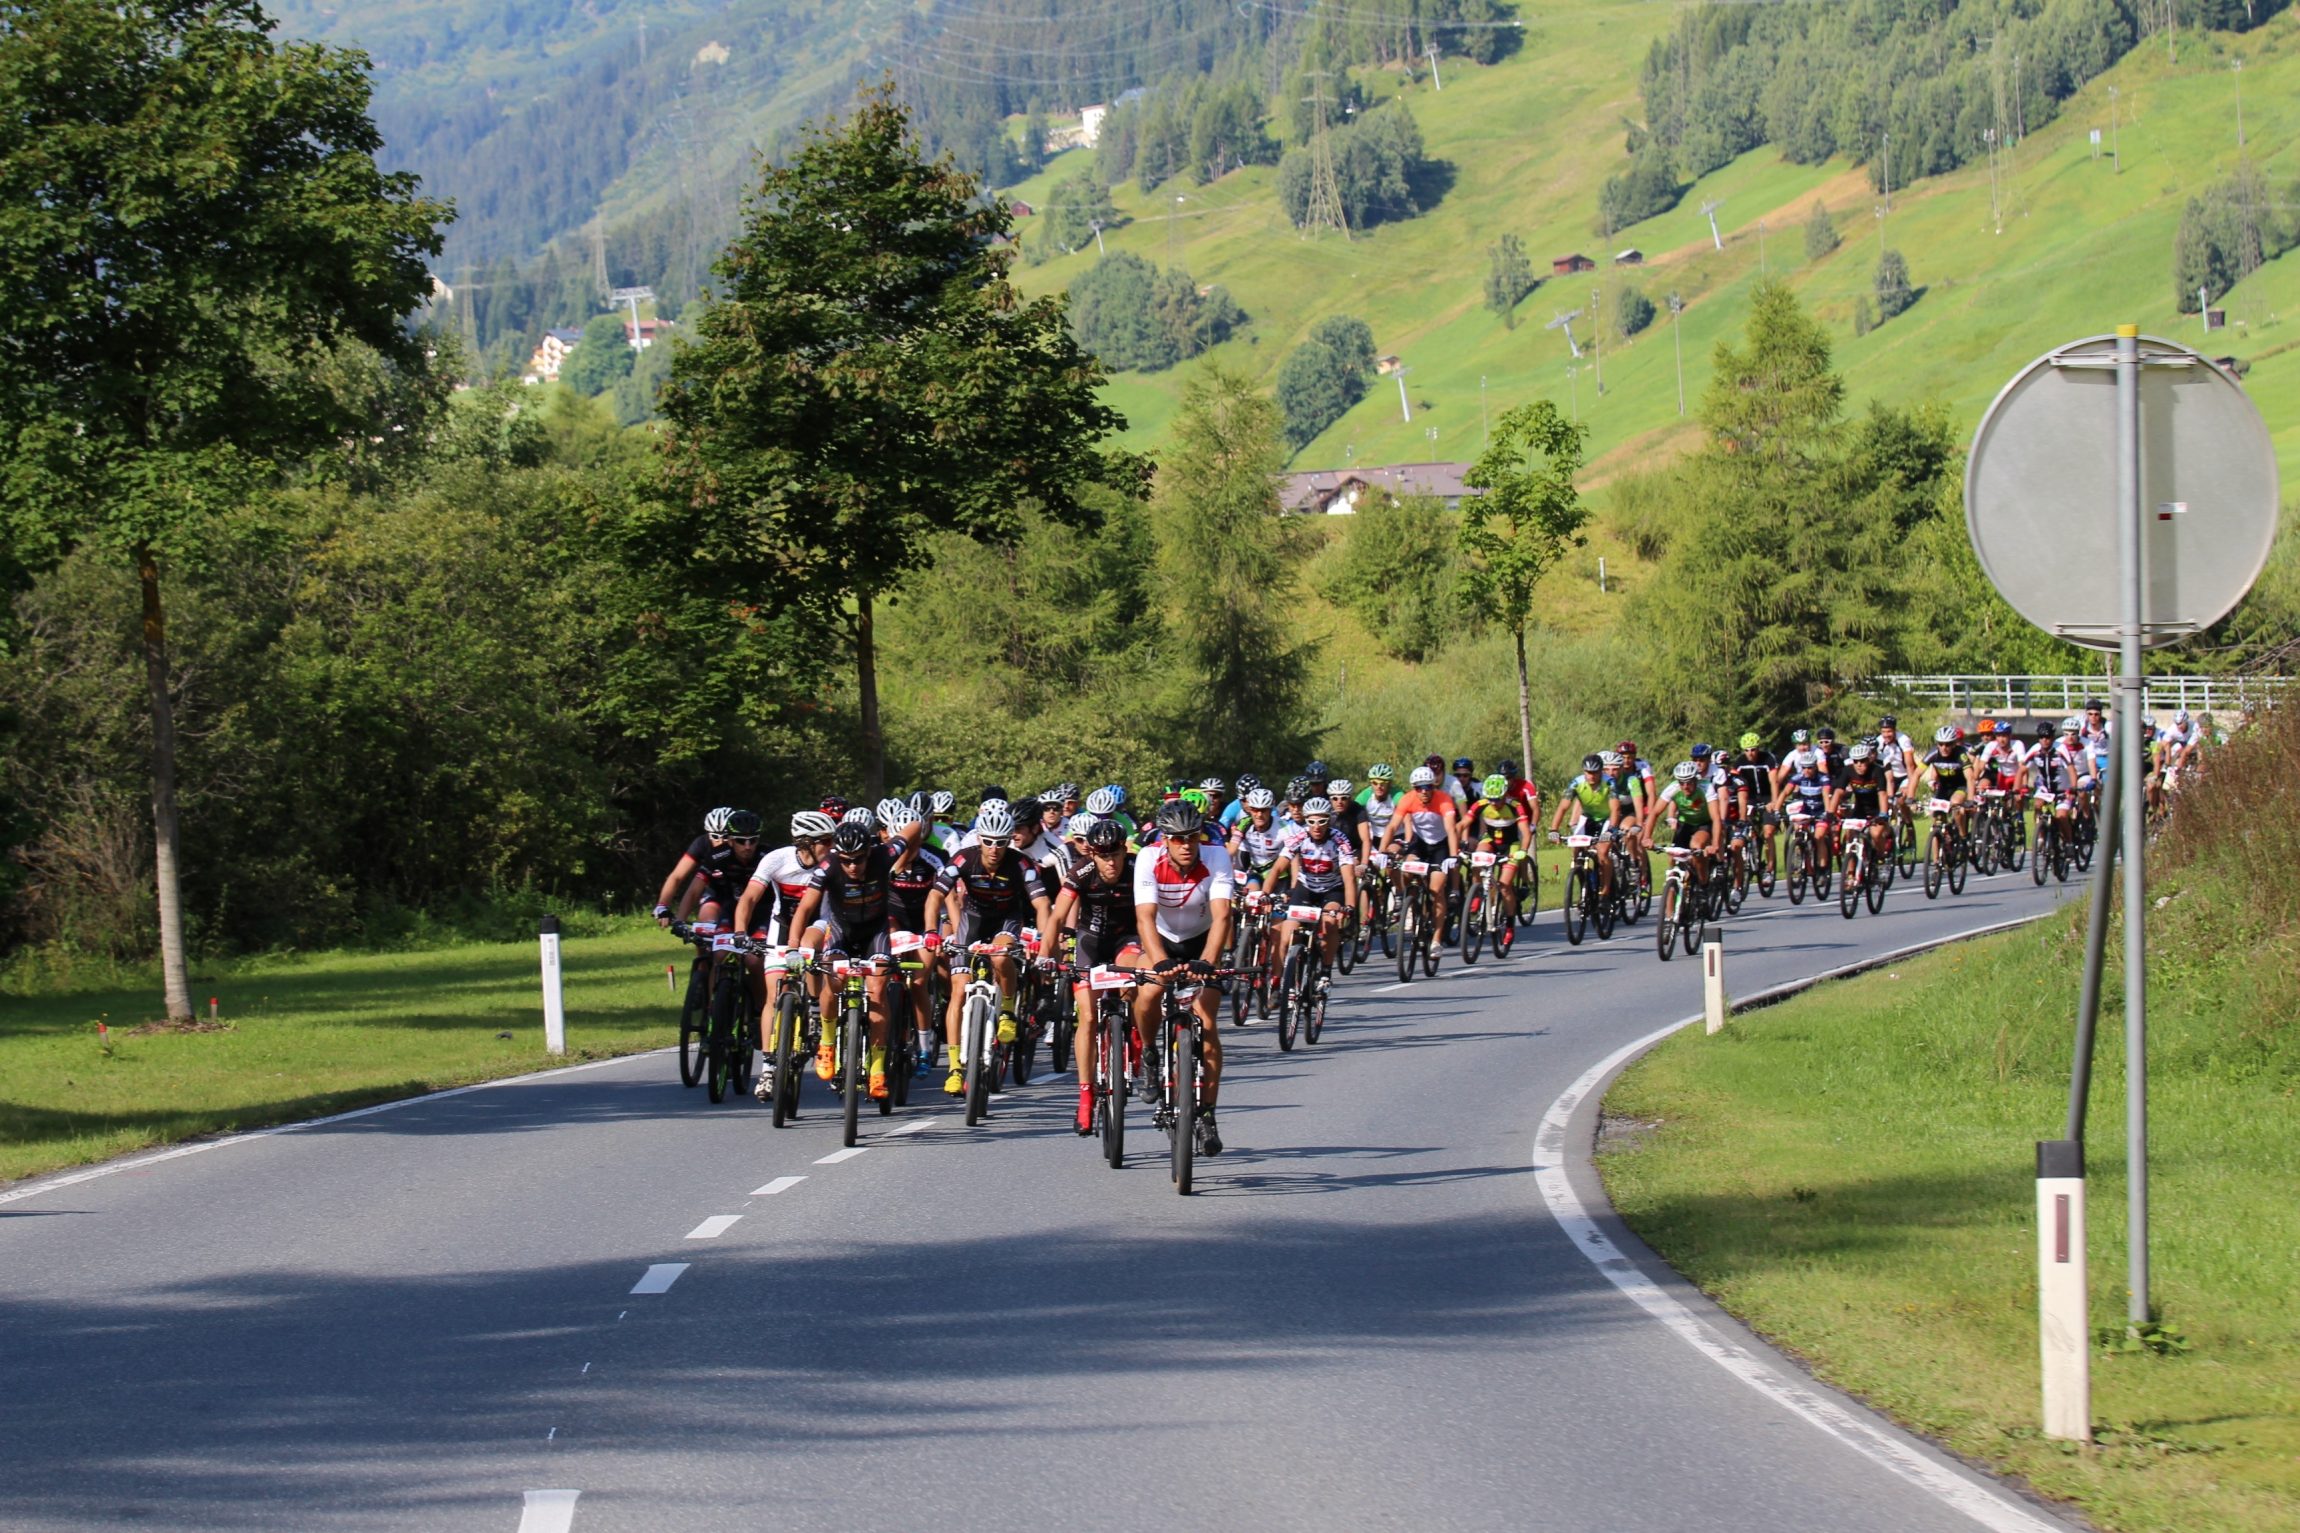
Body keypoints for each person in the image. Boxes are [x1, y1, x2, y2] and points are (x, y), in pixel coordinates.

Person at [924, 800, 1056, 1096]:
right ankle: (955, 1067)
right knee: (958, 991)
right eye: (988, 842)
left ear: (1009, 842)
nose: (994, 848)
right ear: (979, 839)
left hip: (1006, 922)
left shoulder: (1021, 864)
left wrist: (1042, 939)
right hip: (972, 921)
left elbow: (1042, 904)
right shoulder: (963, 859)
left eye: (1001, 842)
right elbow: (935, 896)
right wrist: (932, 932)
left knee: (999, 956)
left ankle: (1007, 1009)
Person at [1132, 799, 1235, 1156]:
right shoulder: (1148, 858)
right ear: (1165, 839)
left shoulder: (1217, 856)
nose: (1186, 845)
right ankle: (1147, 1053)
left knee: (1206, 1024)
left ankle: (1206, 1113)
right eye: (1177, 839)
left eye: (1192, 837)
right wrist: (1159, 962)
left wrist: (1207, 961)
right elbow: (1144, 918)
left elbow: (1222, 916)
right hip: (1162, 942)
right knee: (1147, 993)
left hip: (1204, 944)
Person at [784, 816, 903, 1100]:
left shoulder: (885, 855)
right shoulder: (827, 869)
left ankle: (876, 1070)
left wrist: (918, 827)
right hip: (841, 931)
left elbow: (911, 832)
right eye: (846, 860)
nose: (852, 866)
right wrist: (792, 948)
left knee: (877, 992)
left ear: (869, 853)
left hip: (875, 931)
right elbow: (804, 909)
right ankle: (826, 1042)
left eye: (859, 860)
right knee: (832, 980)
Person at [1049, 816, 1138, 1136]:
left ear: (1124, 850)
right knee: (1086, 1017)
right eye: (1103, 855)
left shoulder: (1138, 867)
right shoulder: (1082, 871)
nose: (1110, 862)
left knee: (1133, 981)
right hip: (1090, 942)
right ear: (1093, 855)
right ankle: (1086, 1095)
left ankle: (1136, 1036)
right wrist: (1047, 957)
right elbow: (1058, 915)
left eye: (1115, 854)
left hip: (1128, 939)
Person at [1264, 795, 1358, 987]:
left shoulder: (1339, 840)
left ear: (1329, 820)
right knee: (1287, 933)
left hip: (1332, 890)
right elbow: (1277, 868)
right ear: (1306, 821)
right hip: (1305, 888)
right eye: (1311, 821)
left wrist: (1349, 907)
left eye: (1322, 821)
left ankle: (1325, 970)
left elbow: (1349, 878)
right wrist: (1265, 894)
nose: (1316, 826)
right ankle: (1278, 982)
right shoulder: (1299, 838)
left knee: (1330, 922)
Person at [1377, 764, 1461, 928]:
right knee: (1407, 871)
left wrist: (1453, 856)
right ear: (1414, 788)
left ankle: (1437, 937)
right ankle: (1412, 902)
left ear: (1433, 786)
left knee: (1436, 889)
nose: (1424, 791)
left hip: (1440, 844)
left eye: (1428, 787)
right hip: (1420, 842)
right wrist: (1381, 851)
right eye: (1419, 788)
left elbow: (1451, 829)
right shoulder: (1408, 799)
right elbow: (1393, 826)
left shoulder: (1444, 800)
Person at [653, 807, 764, 931]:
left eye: (726, 836)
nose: (721, 841)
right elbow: (677, 877)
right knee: (706, 925)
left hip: (742, 894)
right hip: (715, 893)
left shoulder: (745, 847)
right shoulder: (702, 845)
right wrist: (663, 906)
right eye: (715, 836)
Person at [1549, 754, 1626, 900]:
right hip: (1588, 818)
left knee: (1602, 852)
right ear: (1584, 771)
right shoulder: (1576, 783)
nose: (1591, 776)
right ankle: (1584, 883)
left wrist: (1610, 830)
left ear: (1601, 771)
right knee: (1576, 849)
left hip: (1607, 819)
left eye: (1595, 772)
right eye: (1588, 772)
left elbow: (1615, 809)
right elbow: (1563, 807)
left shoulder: (1609, 783)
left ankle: (1606, 890)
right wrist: (1554, 829)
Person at [1462, 772, 1532, 919]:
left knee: (1505, 886)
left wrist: (1524, 851)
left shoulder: (1515, 806)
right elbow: (1461, 825)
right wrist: (1456, 846)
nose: (1493, 803)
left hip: (1511, 844)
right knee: (1477, 859)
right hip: (1490, 840)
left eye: (1497, 799)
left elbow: (1526, 833)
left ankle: (1509, 923)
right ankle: (1477, 893)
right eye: (1490, 798)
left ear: (1505, 794)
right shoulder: (1481, 805)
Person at [1656, 760, 1723, 886]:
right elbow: (1655, 813)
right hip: (1685, 824)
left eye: (1689, 782)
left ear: (1696, 780)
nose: (1685, 786)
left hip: (1703, 823)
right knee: (1673, 856)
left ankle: (1703, 884)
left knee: (1696, 846)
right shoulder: (1673, 788)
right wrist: (1647, 838)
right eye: (1681, 783)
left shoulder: (1706, 788)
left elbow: (1716, 818)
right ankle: (1674, 890)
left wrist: (1714, 844)